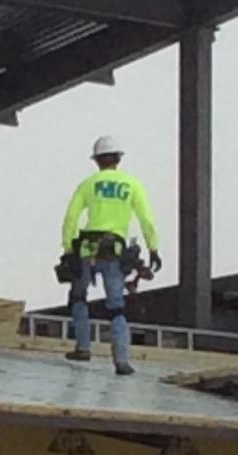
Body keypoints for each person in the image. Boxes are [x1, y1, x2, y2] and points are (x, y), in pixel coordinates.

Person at [59, 136, 161, 376]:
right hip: (114, 251)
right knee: (116, 306)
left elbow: (70, 219)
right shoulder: (132, 184)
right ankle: (121, 360)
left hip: (86, 248)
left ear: (97, 161)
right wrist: (153, 248)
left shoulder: (87, 184)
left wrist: (68, 251)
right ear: (118, 159)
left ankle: (83, 348)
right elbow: (146, 219)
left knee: (78, 296)